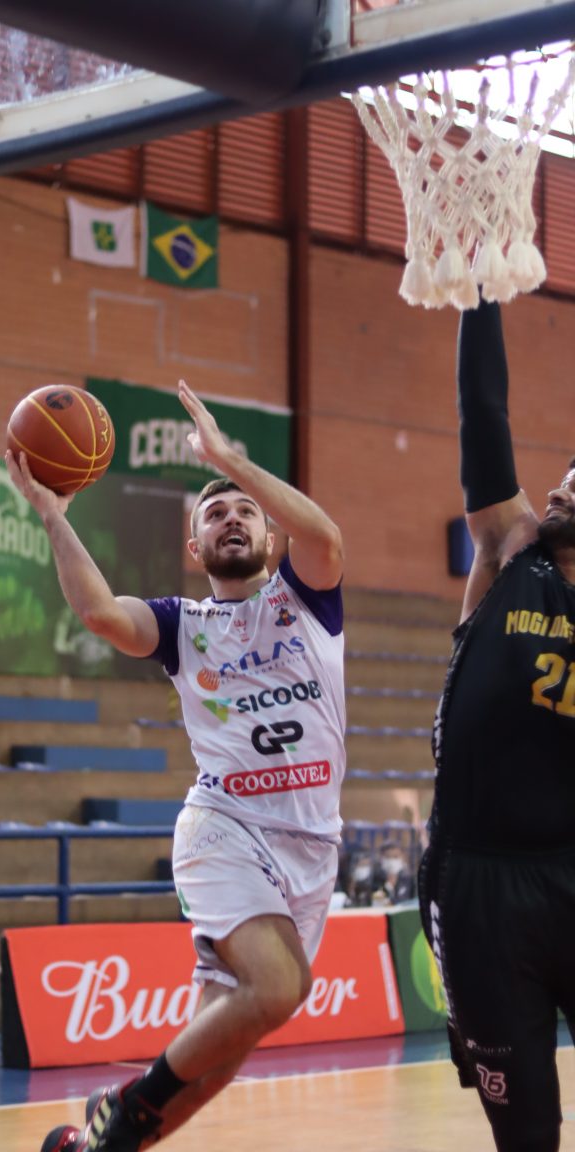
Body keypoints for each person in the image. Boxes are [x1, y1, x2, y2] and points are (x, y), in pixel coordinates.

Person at [5, 378, 346, 1152]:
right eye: (214, 515)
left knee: (222, 1055)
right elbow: (100, 613)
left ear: (270, 535)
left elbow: (324, 535)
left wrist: (229, 463)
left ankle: (102, 1147)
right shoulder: (182, 625)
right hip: (226, 830)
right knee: (280, 987)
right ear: (195, 551)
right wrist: (54, 517)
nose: (231, 518)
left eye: (245, 511)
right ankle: (126, 1105)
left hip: (311, 846)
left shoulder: (309, 600)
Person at [418, 300, 575, 1152]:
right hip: (478, 882)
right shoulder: (511, 550)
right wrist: (481, 289)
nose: (560, 487)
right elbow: (484, 416)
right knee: (525, 1134)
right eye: (568, 475)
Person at [373, 840, 414, 905]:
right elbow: (377, 902)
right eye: (388, 857)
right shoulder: (376, 879)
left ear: (403, 857)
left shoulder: (408, 879)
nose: (391, 861)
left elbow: (407, 901)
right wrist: (388, 886)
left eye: (395, 857)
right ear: (381, 858)